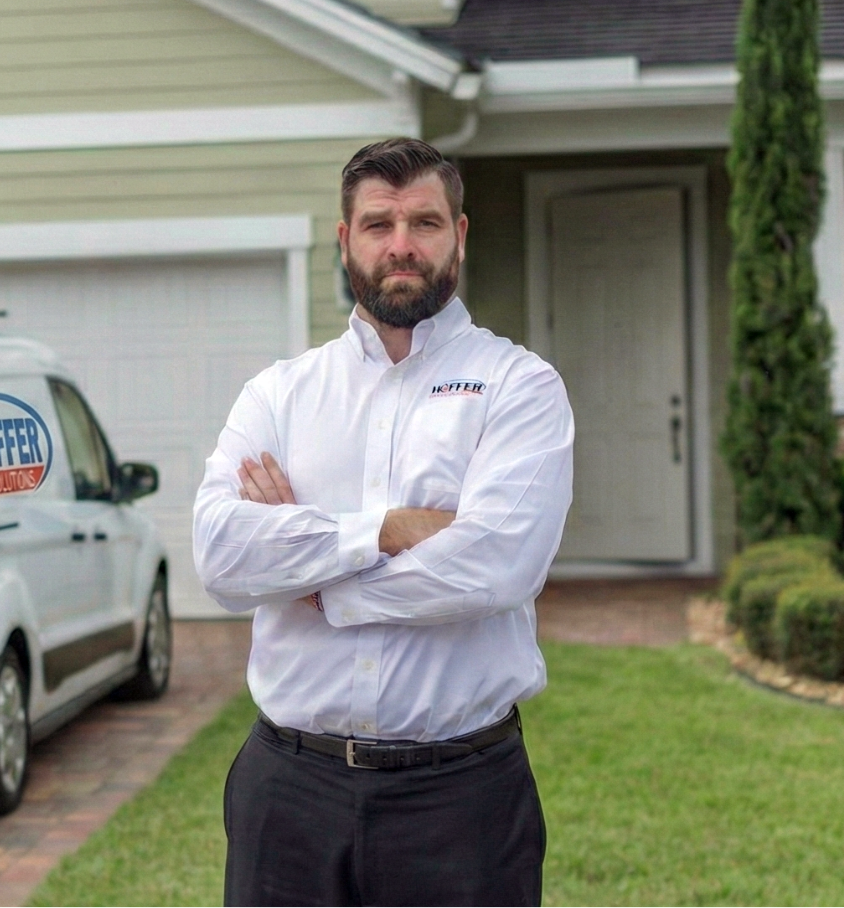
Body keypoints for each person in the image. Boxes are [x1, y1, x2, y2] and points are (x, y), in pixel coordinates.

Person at [192, 137, 575, 908]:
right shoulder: (280, 395)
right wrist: (387, 531)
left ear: (458, 235)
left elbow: (495, 565)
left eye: (424, 222)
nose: (401, 244)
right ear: (346, 241)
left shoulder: (518, 387)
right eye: (378, 224)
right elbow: (222, 556)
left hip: (460, 799)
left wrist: (315, 579)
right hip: (288, 791)